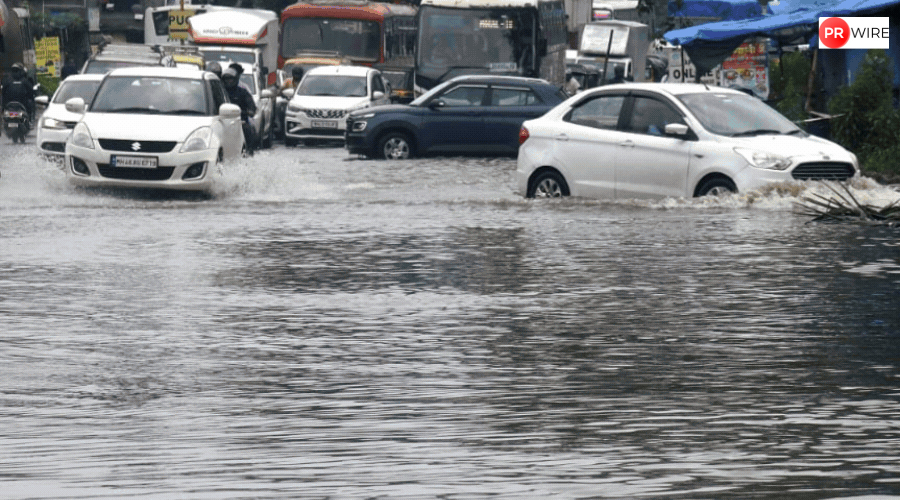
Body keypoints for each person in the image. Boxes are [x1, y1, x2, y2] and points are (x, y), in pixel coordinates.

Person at [221, 66, 257, 156]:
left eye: (231, 79)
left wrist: (251, 111)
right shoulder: (220, 92)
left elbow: (251, 105)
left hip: (240, 122)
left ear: (236, 79)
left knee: (248, 129)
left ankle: (249, 151)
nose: (228, 81)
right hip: (222, 121)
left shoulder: (243, 92)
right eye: (226, 79)